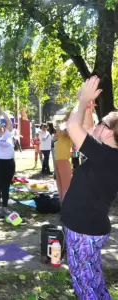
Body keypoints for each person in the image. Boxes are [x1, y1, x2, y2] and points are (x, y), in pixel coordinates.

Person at [61, 76, 118, 299]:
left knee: (85, 285)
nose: (97, 125)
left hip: (84, 230)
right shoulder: (106, 154)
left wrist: (83, 98)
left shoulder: (107, 156)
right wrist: (85, 105)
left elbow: (73, 127)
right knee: (92, 279)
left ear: (110, 132)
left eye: (102, 123)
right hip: (88, 229)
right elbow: (85, 128)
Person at [54, 113, 72, 202]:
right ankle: (65, 204)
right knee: (64, 184)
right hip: (61, 159)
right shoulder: (64, 127)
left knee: (63, 184)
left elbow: (63, 133)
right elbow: (63, 132)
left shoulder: (67, 128)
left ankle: (64, 203)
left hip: (61, 158)